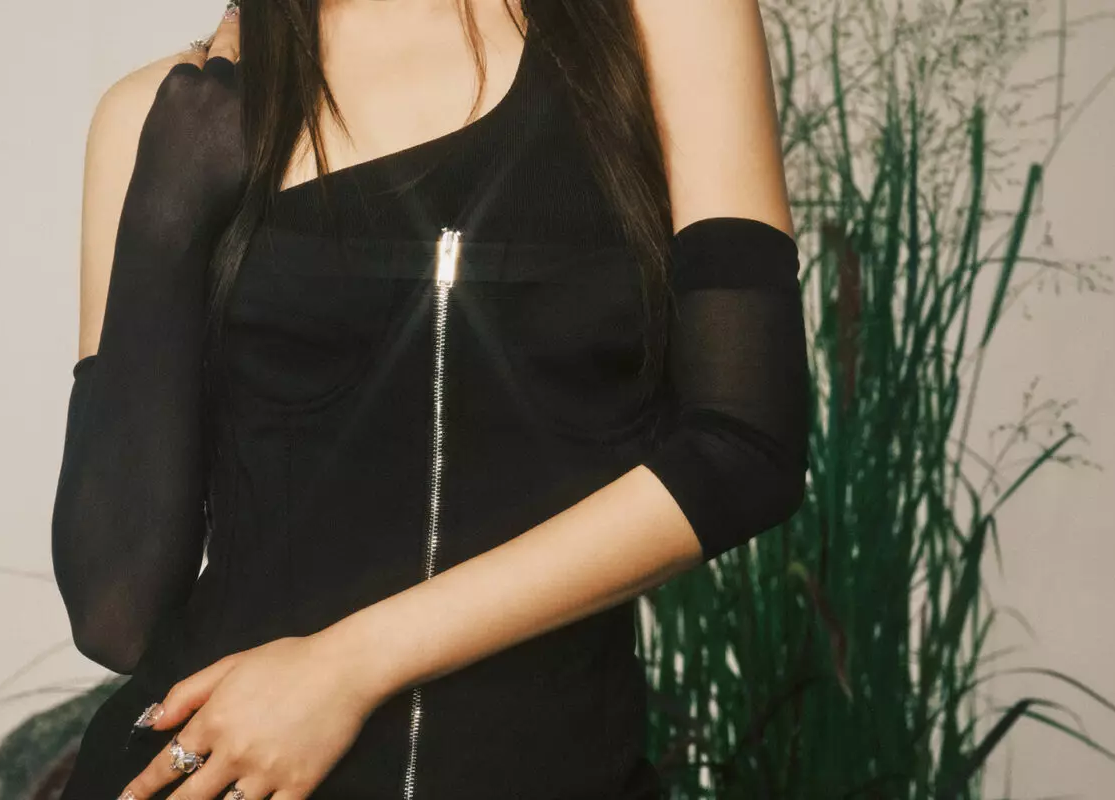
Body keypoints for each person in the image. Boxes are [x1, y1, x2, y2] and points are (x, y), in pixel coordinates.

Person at [50, 0, 808, 797]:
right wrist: (169, 207)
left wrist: (348, 667)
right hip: (222, 775)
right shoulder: (161, 110)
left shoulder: (660, 23)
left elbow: (743, 446)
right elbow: (117, 615)